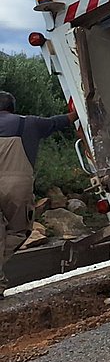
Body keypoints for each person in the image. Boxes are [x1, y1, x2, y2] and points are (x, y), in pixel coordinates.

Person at [0, 91, 75, 295]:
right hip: (17, 185)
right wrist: (76, 109)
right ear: (12, 108)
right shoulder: (29, 123)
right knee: (18, 231)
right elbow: (61, 121)